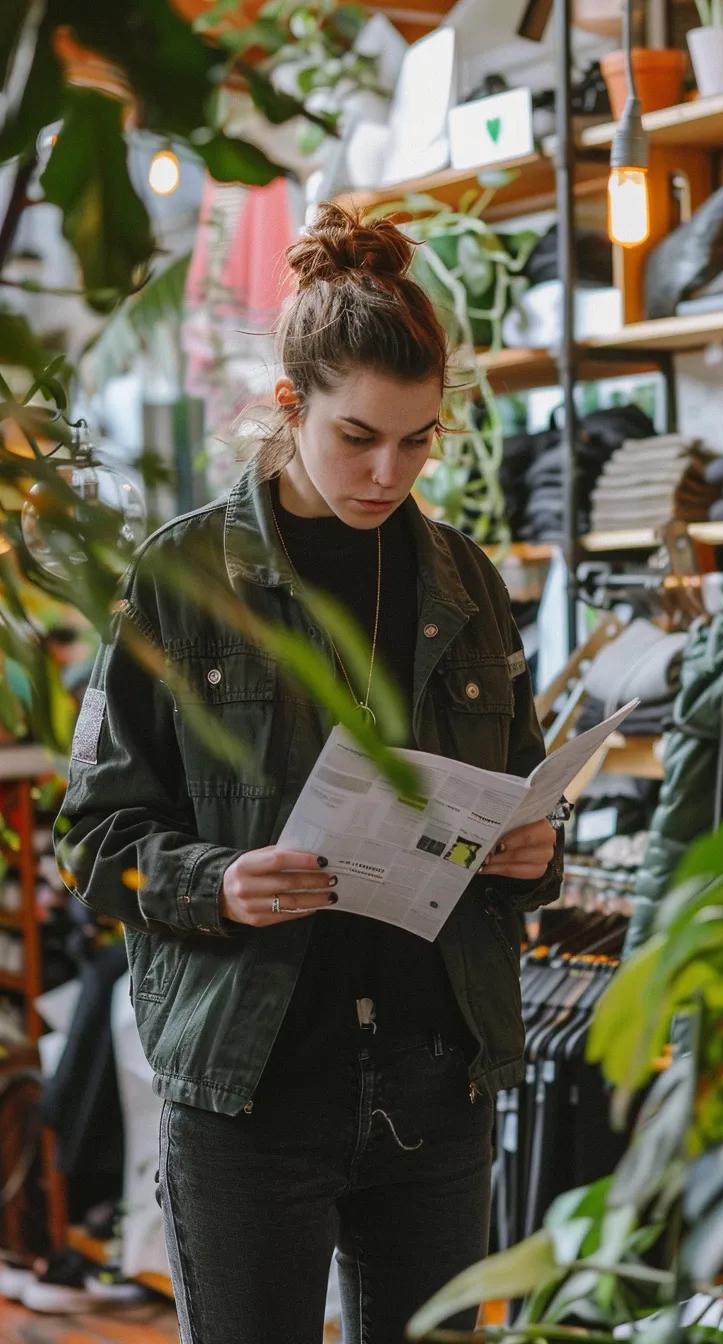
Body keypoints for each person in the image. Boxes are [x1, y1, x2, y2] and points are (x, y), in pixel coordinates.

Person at [54, 204, 562, 1344]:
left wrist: (532, 851)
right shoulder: (184, 577)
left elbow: (520, 795)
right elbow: (91, 841)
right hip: (253, 1086)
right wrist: (218, 884)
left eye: (417, 441)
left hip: (437, 1080)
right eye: (358, 436)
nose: (388, 472)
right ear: (291, 406)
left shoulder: (465, 579)